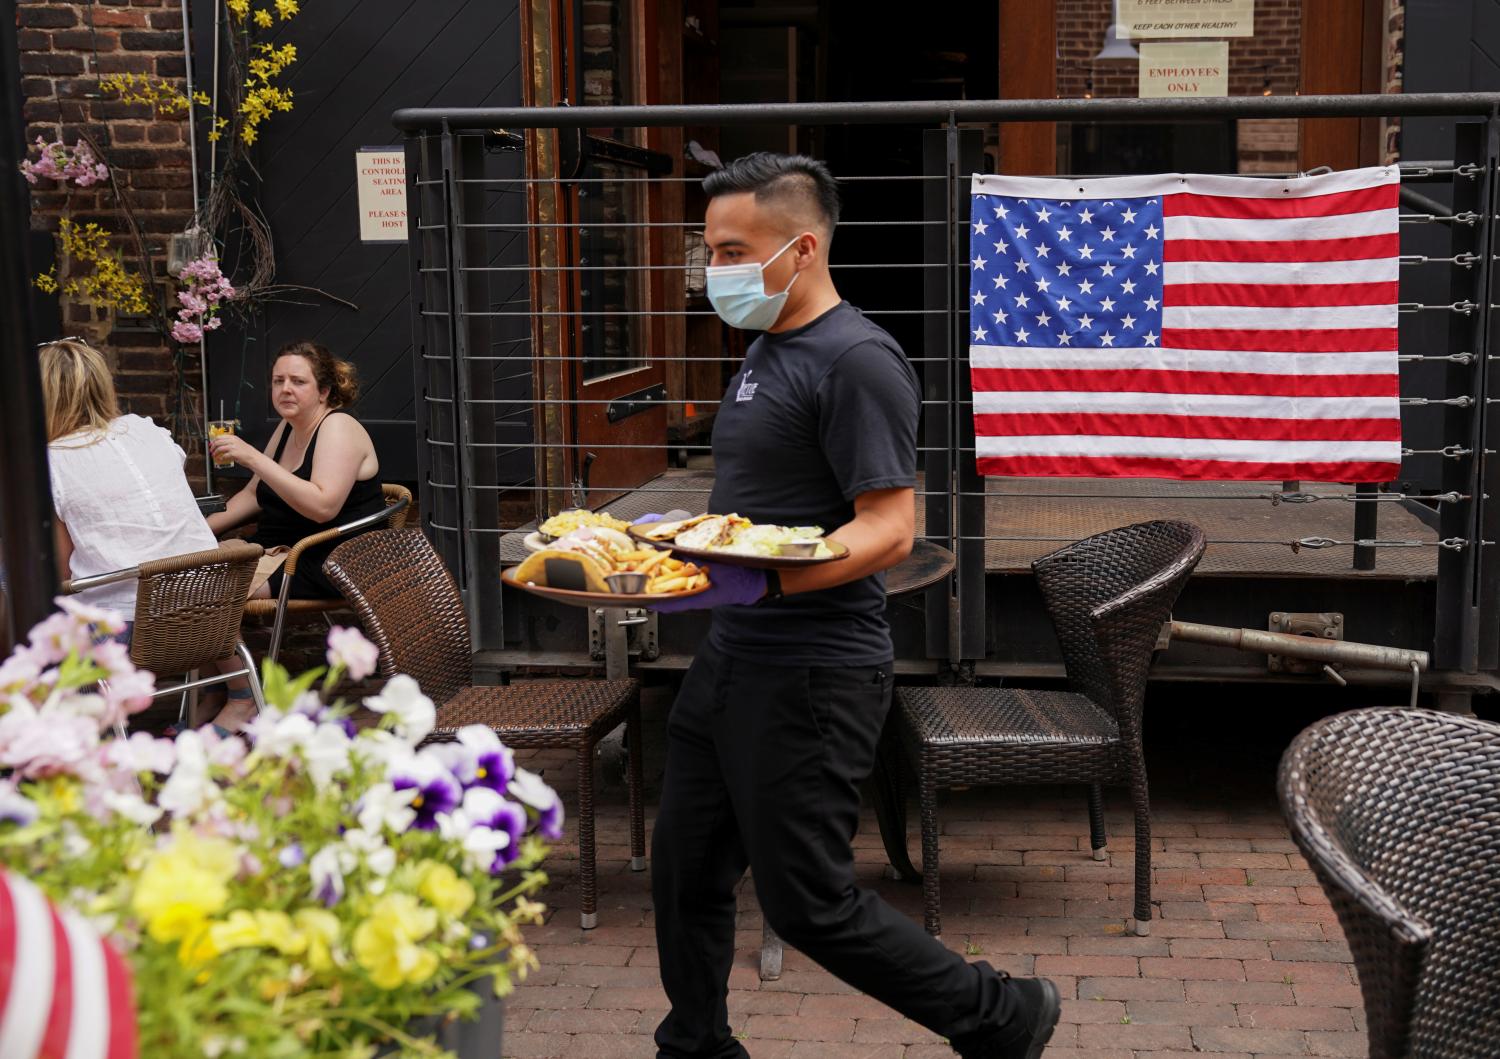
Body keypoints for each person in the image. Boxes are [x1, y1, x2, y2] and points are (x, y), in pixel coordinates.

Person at [645, 154, 1060, 1059]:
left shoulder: (858, 360)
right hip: (733, 656)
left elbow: (889, 529)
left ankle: (1003, 1014)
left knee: (809, 900)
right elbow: (770, 503)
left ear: (800, 248)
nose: (713, 270)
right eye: (708, 249)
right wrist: (695, 539)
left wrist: (771, 576)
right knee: (684, 869)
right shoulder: (766, 348)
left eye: (729, 250)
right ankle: (698, 1045)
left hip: (814, 669)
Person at [40, 338, 218, 640]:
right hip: (209, 610)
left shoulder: (51, 461)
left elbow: (58, 572)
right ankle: (239, 685)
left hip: (122, 628)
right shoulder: (146, 429)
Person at [206, 340, 384, 601]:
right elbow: (253, 494)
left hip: (326, 560)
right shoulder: (288, 426)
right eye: (279, 381)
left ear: (323, 391)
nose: (285, 389)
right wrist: (198, 532)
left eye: (298, 382)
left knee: (201, 589)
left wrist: (253, 458)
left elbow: (323, 508)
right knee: (181, 572)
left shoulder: (338, 427)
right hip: (276, 550)